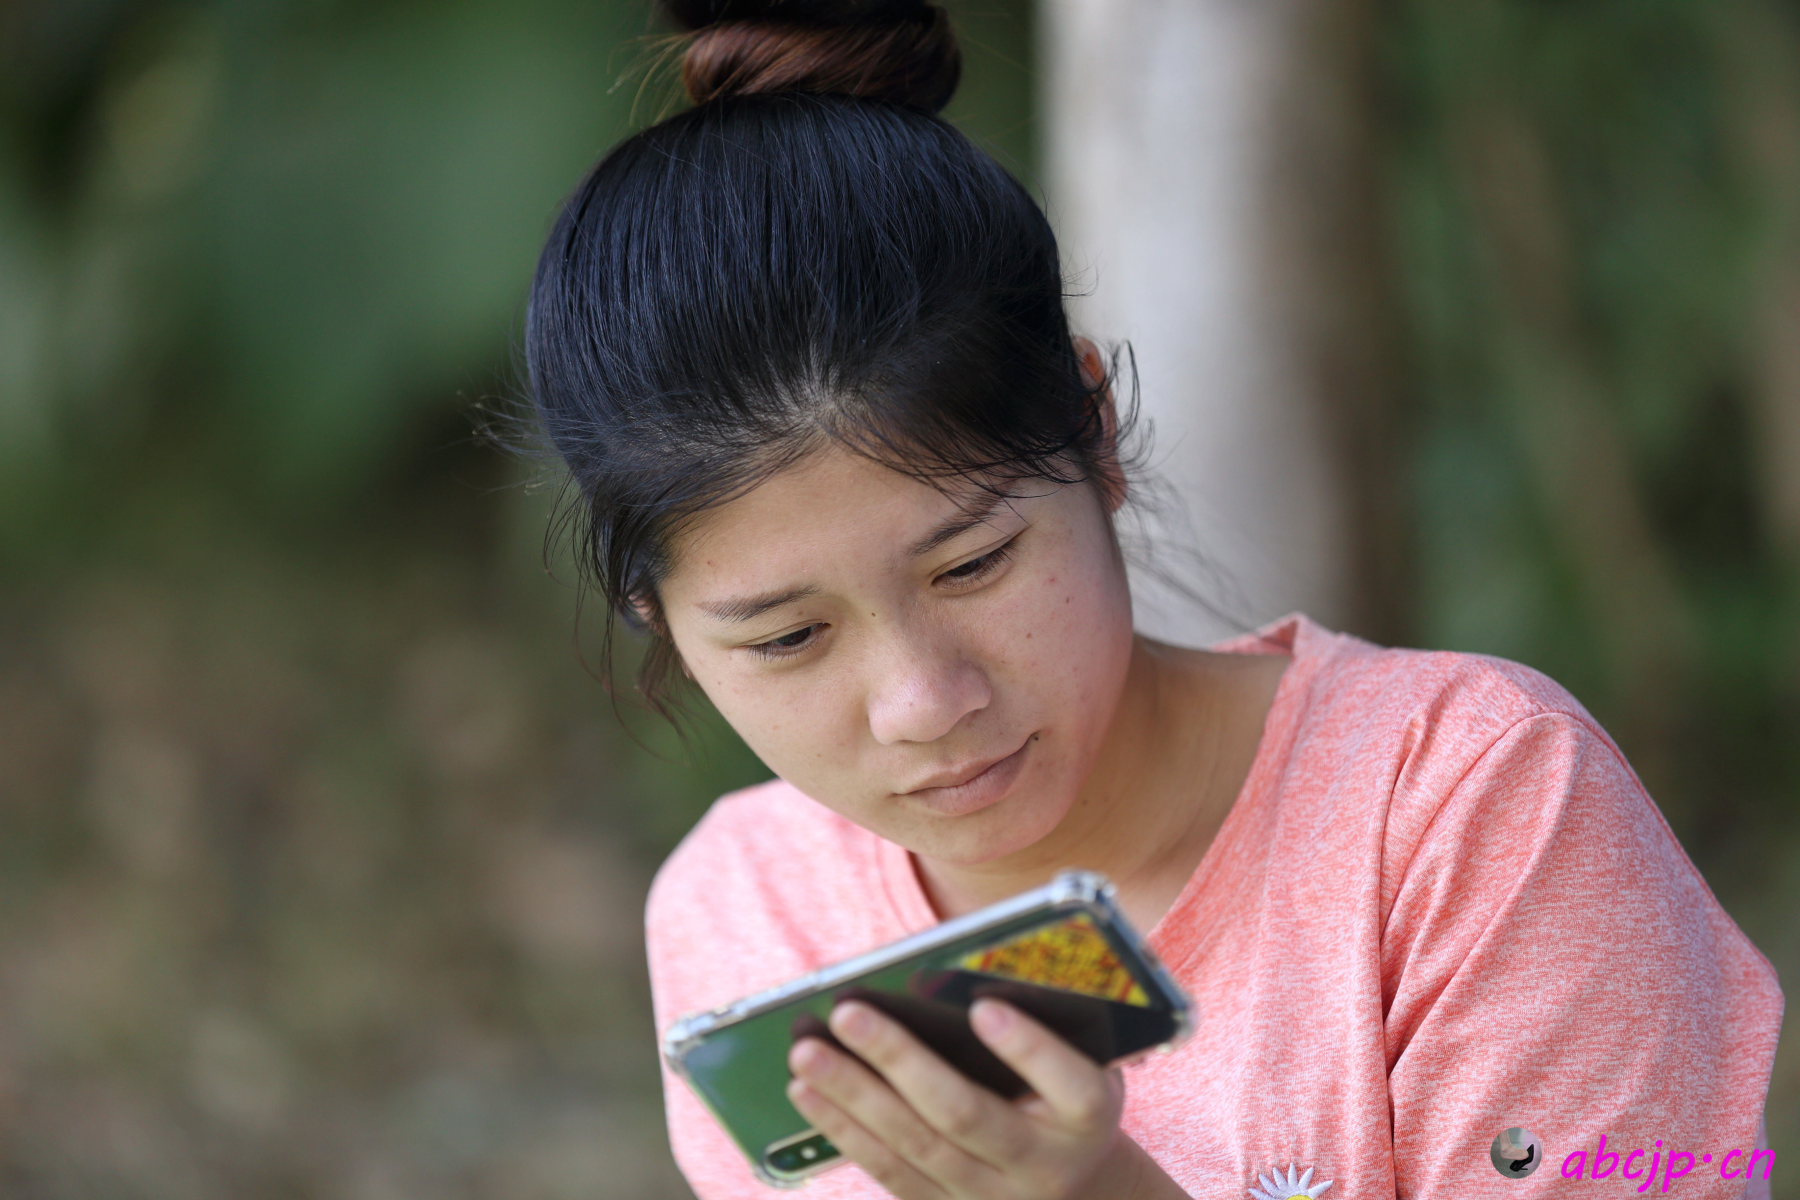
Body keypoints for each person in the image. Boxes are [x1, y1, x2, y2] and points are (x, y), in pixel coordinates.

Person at [506, 2, 1785, 1197]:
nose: (924, 703)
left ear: (1096, 429)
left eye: (973, 564)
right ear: (658, 620)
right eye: (789, 637)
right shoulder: (748, 911)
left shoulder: (1468, 810)